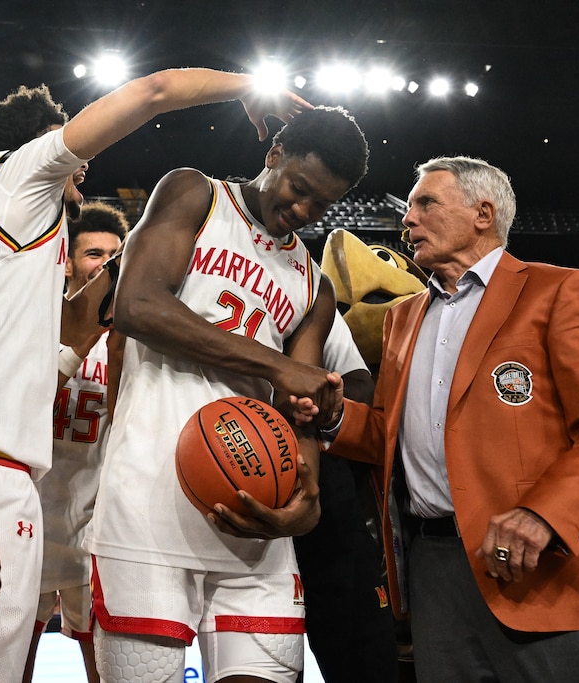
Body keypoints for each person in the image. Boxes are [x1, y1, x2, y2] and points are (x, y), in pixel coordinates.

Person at [0, 69, 313, 683]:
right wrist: (250, 84)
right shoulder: (15, 180)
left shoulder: (18, 235)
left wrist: (77, 335)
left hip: (5, 471)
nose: (84, 160)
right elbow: (151, 93)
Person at [324, 156, 579, 681]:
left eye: (425, 203)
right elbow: (390, 435)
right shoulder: (401, 319)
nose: (408, 220)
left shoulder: (557, 290)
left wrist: (543, 516)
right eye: (409, 208)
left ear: (483, 212)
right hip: (434, 572)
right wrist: (333, 418)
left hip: (546, 568)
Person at [85, 106, 369, 683]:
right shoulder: (196, 194)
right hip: (150, 499)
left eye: (323, 204)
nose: (304, 211)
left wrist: (305, 499)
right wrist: (277, 366)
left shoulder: (313, 286)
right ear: (274, 155)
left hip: (253, 512)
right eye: (299, 188)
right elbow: (136, 306)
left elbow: (302, 411)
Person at [21, 202, 129, 683]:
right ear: (67, 260)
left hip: (94, 522)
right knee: (11, 661)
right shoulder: (34, 324)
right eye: (93, 254)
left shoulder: (133, 340)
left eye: (114, 254)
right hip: (32, 519)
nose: (105, 264)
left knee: (102, 669)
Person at [292, 311, 398, 683]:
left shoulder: (306, 287)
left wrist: (300, 406)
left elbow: (360, 385)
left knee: (361, 655)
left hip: (326, 499)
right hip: (223, 473)